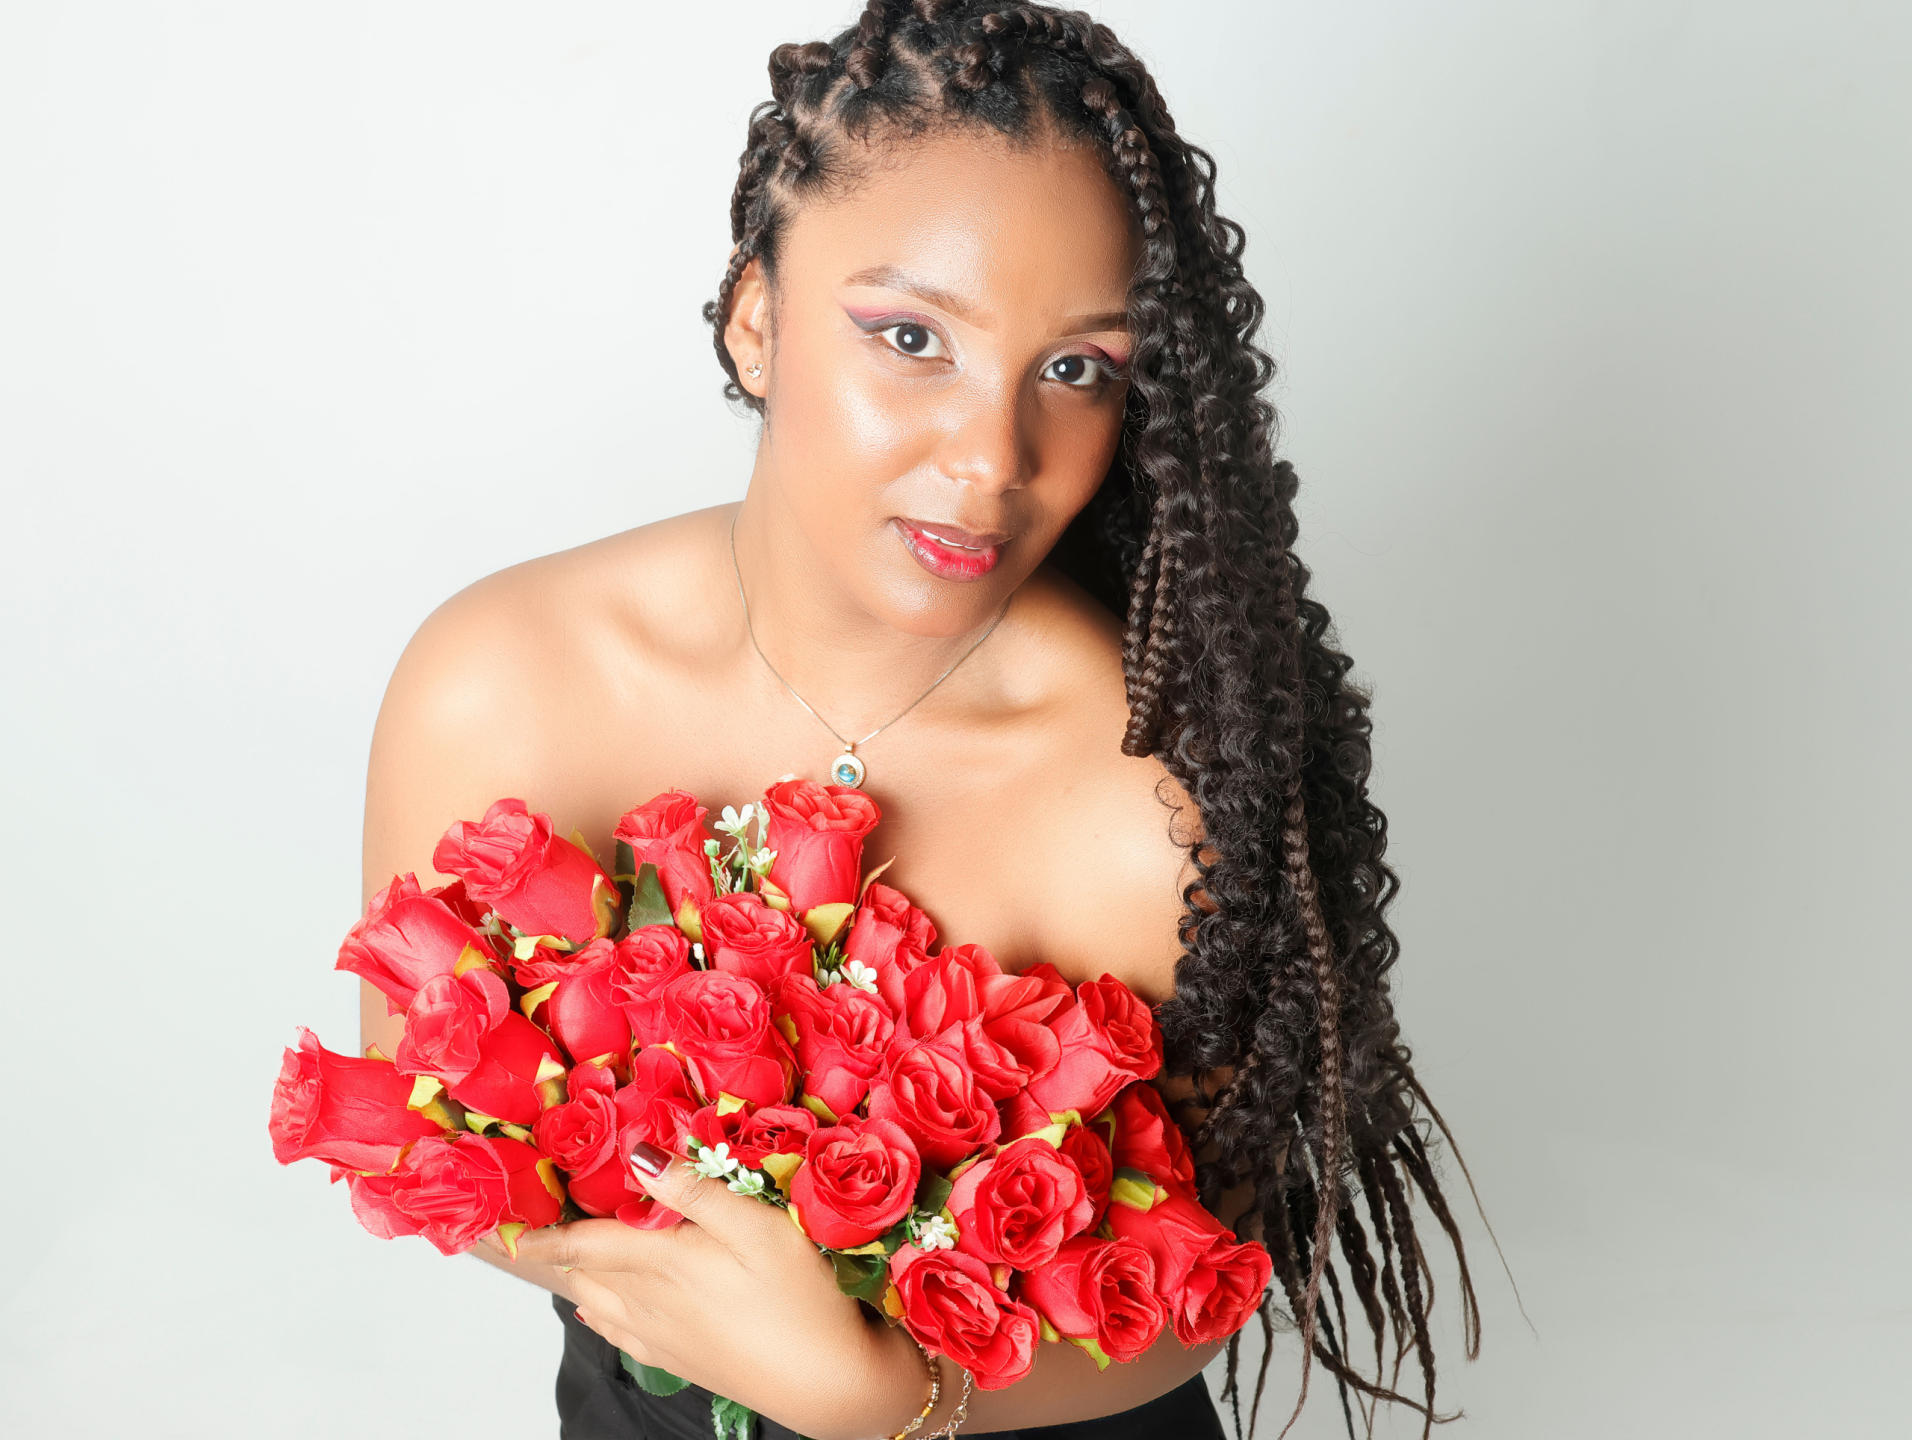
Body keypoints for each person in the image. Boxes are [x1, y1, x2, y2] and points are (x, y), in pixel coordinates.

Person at [357, 3, 1483, 1437]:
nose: (993, 457)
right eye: (911, 337)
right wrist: (652, 1268)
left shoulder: (1154, 803)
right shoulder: (503, 684)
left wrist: (891, 1393)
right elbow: (428, 1130)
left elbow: (1203, 1282)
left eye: (1077, 369)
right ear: (756, 321)